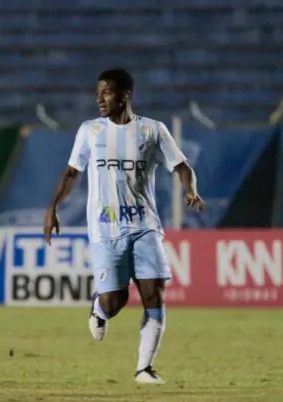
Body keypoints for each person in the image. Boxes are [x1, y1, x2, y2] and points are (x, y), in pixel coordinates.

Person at [43, 68, 204, 384]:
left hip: (145, 226)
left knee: (154, 295)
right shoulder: (90, 131)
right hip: (106, 230)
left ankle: (144, 368)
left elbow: (182, 165)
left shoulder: (153, 131)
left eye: (106, 92)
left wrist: (190, 189)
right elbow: (72, 172)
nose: (99, 98)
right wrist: (52, 208)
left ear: (125, 95)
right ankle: (100, 310)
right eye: (97, 92)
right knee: (115, 301)